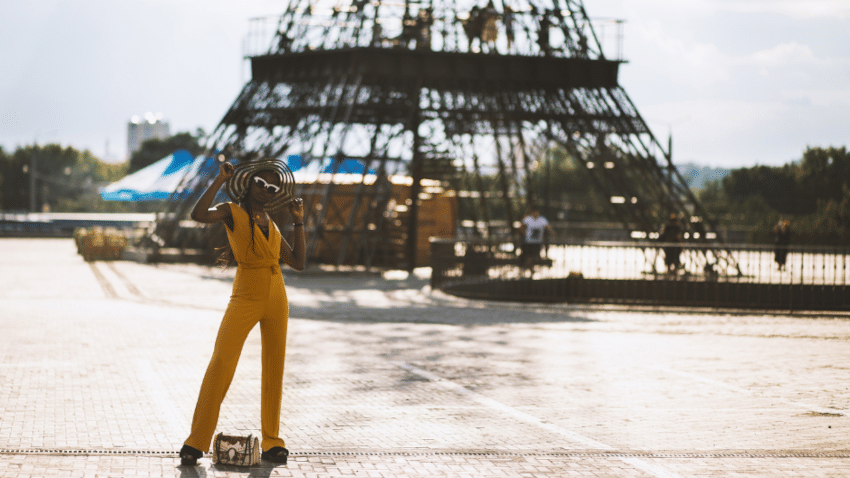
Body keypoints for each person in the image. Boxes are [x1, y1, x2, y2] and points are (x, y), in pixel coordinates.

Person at [179, 159, 305, 467]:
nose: (265, 191)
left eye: (272, 188)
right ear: (248, 183)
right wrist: (219, 180)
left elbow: (299, 262)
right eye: (261, 184)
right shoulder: (231, 211)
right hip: (246, 293)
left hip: (277, 294)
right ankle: (195, 442)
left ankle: (273, 442)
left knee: (274, 367)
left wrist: (299, 221)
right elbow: (197, 214)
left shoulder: (272, 223)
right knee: (221, 360)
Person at [520, 207, 555, 271]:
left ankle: (529, 268)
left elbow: (548, 228)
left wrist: (553, 234)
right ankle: (528, 269)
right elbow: (521, 227)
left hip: (537, 242)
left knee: (533, 256)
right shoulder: (527, 219)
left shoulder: (542, 220)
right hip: (528, 242)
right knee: (529, 256)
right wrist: (525, 234)